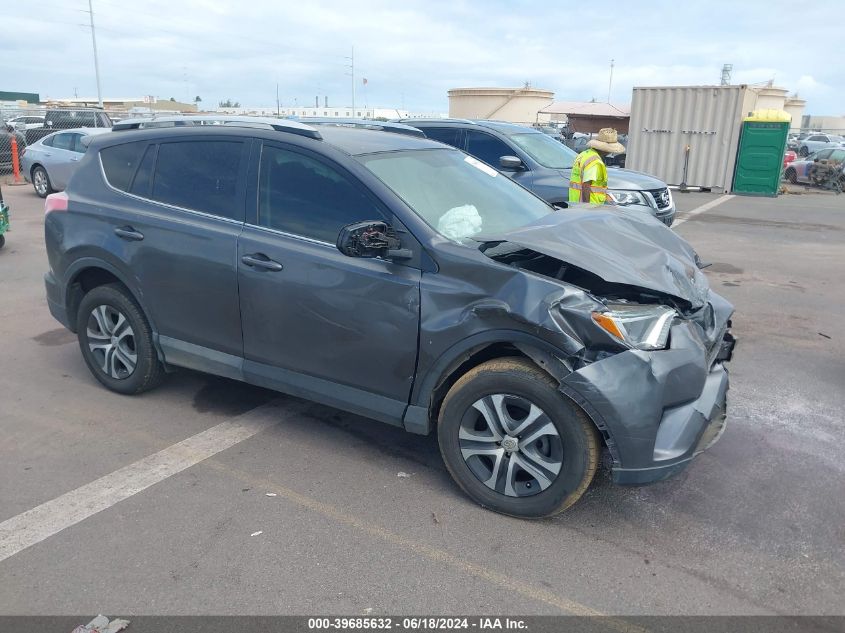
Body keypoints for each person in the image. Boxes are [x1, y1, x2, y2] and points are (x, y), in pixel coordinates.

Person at [568, 128, 626, 204]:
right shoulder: (595, 161)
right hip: (590, 206)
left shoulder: (584, 154)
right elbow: (586, 185)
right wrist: (586, 207)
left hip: (575, 202)